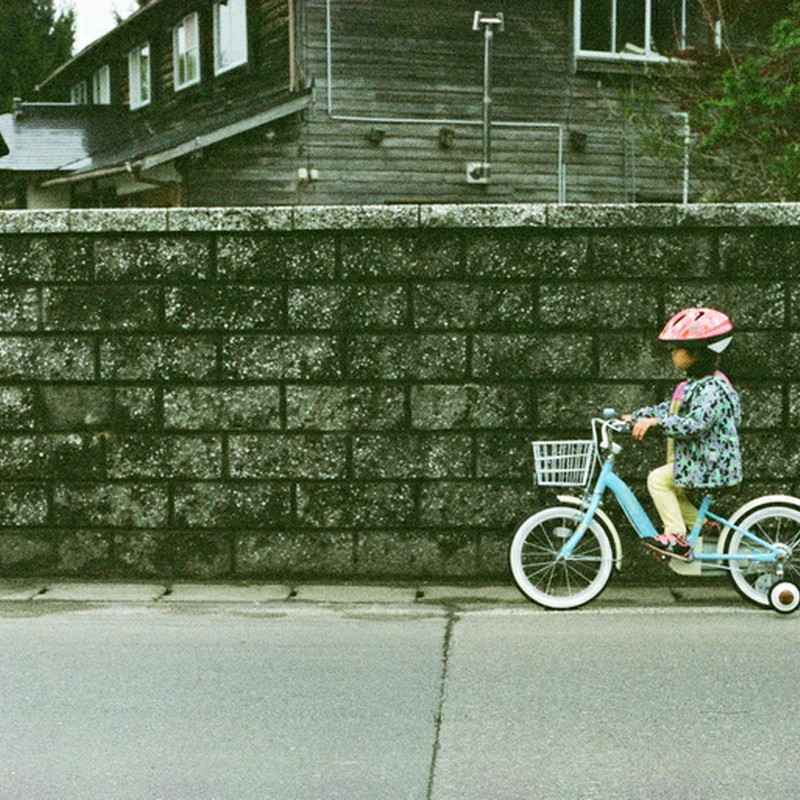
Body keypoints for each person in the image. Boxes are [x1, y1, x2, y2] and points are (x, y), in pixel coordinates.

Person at [623, 307, 742, 560]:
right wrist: (636, 416)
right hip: (704, 460)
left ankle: (677, 537)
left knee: (657, 480)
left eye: (677, 348)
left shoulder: (712, 389)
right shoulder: (693, 385)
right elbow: (669, 409)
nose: (672, 353)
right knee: (673, 487)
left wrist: (657, 422)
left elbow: (695, 424)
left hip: (713, 463)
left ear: (696, 353)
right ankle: (702, 524)